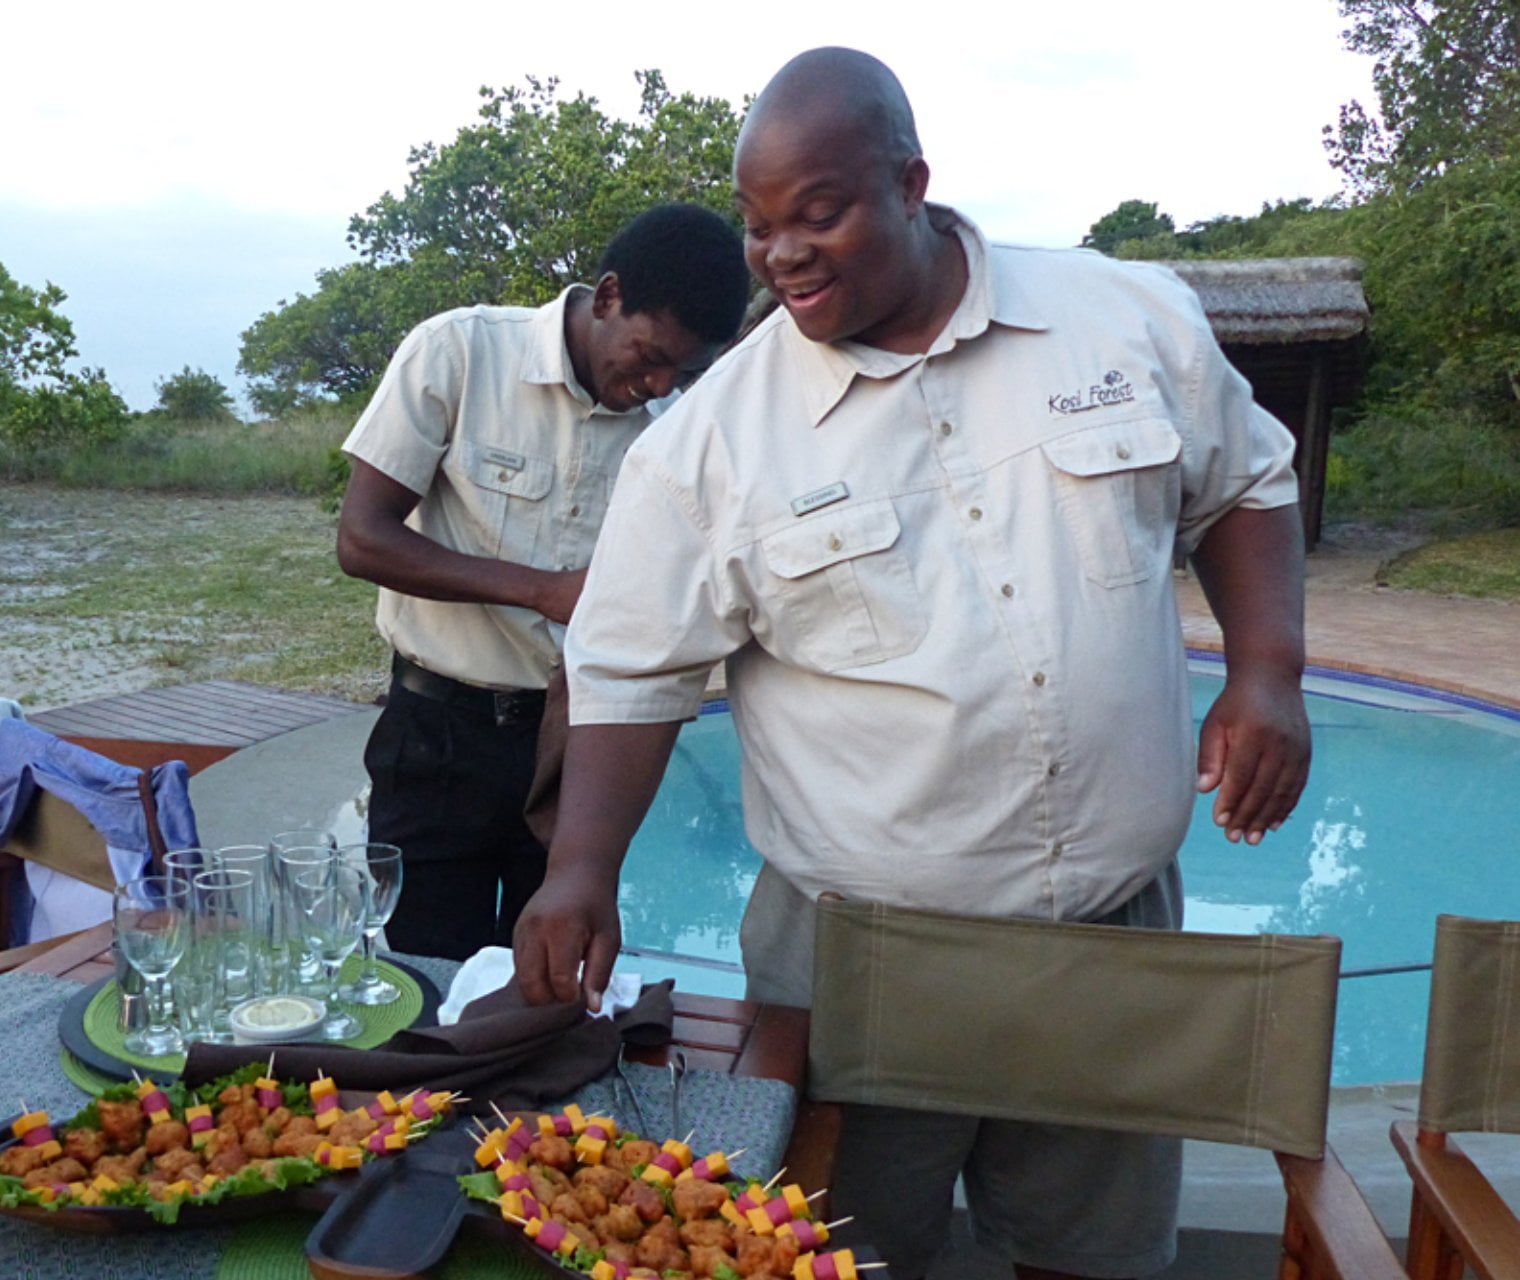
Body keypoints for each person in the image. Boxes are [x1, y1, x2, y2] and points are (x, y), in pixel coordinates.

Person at [513, 49, 1310, 1280]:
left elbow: (1245, 482)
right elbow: (628, 668)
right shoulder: (716, 439)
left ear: (912, 181)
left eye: (817, 212)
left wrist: (1269, 671)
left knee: (1093, 1256)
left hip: (1104, 937)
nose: (782, 254)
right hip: (856, 959)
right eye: (759, 226)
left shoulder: (1120, 314)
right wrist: (582, 871)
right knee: (838, 1253)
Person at [336, 203, 752, 961]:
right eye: (649, 353)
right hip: (436, 735)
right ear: (608, 295)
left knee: (545, 982)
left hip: (576, 744)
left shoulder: (677, 425)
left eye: (683, 372)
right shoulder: (459, 352)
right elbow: (363, 539)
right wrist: (541, 588)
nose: (656, 383)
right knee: (427, 981)